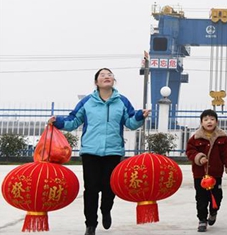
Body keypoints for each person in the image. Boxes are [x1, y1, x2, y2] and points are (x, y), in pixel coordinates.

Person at [48, 68, 150, 235]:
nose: (106, 77)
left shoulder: (121, 101)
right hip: (90, 151)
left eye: (109, 75)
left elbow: (130, 122)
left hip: (113, 151)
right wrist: (57, 121)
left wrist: (140, 116)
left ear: (113, 81)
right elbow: (73, 121)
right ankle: (90, 224)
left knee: (110, 188)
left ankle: (106, 210)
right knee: (91, 189)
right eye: (102, 75)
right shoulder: (87, 102)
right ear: (96, 82)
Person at [186, 109, 227, 233]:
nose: (209, 122)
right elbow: (190, 152)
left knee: (217, 196)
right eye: (206, 119)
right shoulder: (195, 138)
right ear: (201, 122)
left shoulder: (223, 138)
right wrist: (199, 158)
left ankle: (213, 212)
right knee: (201, 198)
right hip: (200, 174)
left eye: (212, 119)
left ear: (217, 122)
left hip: (215, 173)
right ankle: (202, 220)